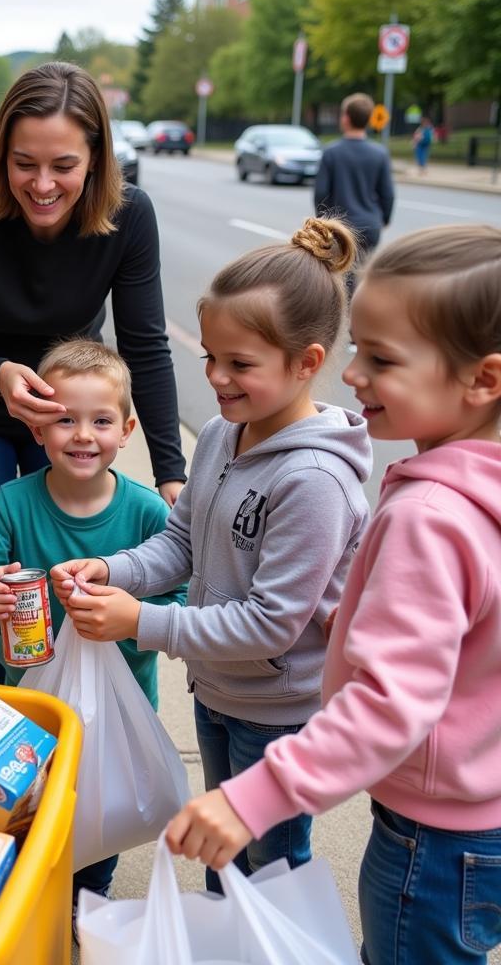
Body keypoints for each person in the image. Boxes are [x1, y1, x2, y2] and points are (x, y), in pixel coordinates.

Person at [166, 224, 501, 965]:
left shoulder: (429, 517)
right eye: (358, 350)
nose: (351, 376)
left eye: (380, 359)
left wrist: (253, 796)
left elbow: (390, 701)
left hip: (433, 840)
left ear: (483, 380)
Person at [52, 218, 372, 890]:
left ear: (308, 363)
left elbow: (270, 624)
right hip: (220, 689)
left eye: (241, 365)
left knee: (273, 868)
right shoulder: (225, 437)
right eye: (211, 359)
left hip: (278, 713)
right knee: (224, 854)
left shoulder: (314, 482)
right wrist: (116, 571)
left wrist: (140, 621)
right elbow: (181, 543)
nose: (218, 380)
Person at [0, 61, 186, 685]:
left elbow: (145, 344)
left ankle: (69, 721)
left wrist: (171, 471)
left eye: (63, 165)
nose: (41, 184)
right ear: (0, 153)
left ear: (95, 159)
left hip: (67, 417)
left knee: (67, 583)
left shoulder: (129, 216)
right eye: (23, 163)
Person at [0, 339, 187, 905]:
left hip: (119, 702)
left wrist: (133, 619)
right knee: (29, 809)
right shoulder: (13, 502)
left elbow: (178, 600)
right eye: (64, 420)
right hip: (27, 701)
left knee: (101, 803)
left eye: (100, 421)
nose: (82, 435)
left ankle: (89, 898)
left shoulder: (148, 512)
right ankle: (39, 895)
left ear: (127, 430)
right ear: (37, 430)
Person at [314, 93, 394, 275]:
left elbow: (321, 192)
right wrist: (384, 219)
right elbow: (387, 194)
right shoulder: (380, 154)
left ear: (346, 118)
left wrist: (322, 222)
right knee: (362, 274)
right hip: (370, 225)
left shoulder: (331, 152)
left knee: (341, 276)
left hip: (340, 227)